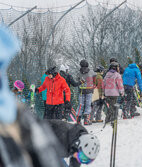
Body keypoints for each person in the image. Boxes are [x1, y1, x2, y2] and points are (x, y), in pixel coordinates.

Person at [0, 23, 64, 167]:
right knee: (49, 118)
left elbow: (65, 88)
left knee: (55, 119)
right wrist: (37, 91)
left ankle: (56, 127)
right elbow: (43, 87)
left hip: (57, 101)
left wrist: (65, 99)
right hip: (49, 102)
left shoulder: (22, 117)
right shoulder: (47, 80)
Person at [76, 60, 97, 125]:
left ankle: (78, 120)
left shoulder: (79, 72)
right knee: (88, 105)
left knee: (80, 105)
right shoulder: (91, 72)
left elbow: (77, 80)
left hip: (81, 90)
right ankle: (86, 120)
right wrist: (94, 85)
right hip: (89, 90)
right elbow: (95, 78)